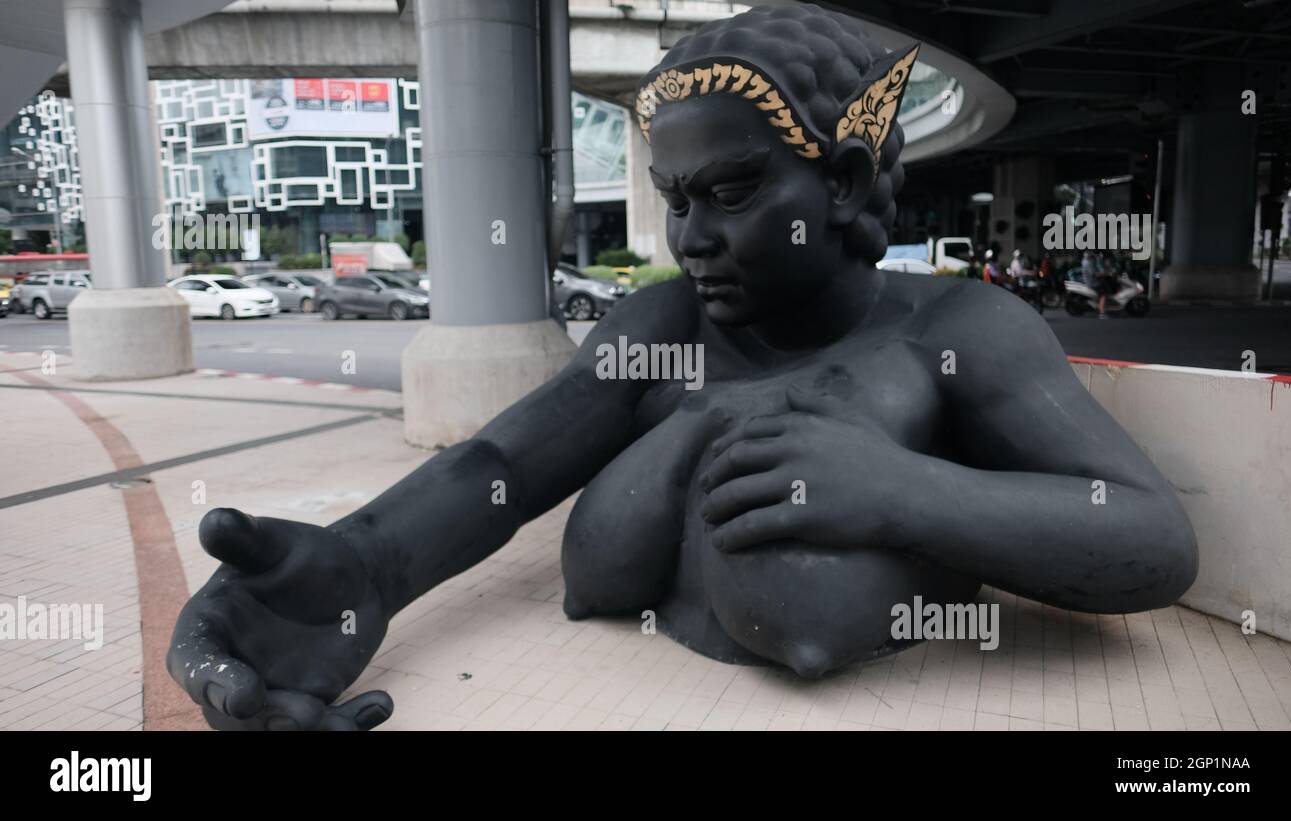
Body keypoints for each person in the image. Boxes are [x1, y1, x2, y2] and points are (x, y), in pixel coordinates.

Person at [168, 3, 1197, 730]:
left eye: (734, 190)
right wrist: (359, 569)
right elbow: (500, 463)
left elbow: (1148, 536)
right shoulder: (660, 323)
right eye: (676, 198)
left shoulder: (956, 328)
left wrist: (904, 492)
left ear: (842, 181)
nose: (691, 237)